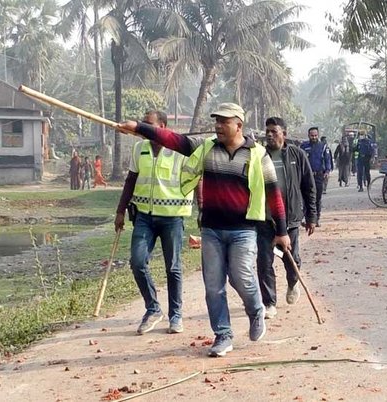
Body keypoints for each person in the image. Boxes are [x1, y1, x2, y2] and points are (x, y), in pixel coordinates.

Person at [118, 103, 290, 357]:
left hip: (243, 230)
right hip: (212, 229)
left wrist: (282, 230)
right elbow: (173, 140)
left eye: (224, 122)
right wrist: (140, 128)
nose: (218, 126)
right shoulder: (206, 148)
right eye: (216, 121)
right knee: (213, 286)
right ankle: (223, 335)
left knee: (240, 276)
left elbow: (273, 194)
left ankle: (255, 310)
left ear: (238, 125)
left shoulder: (257, 154)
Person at [115, 110, 193, 335]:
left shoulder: (178, 149)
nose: (144, 129)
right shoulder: (139, 148)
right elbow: (131, 180)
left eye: (148, 125)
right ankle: (153, 309)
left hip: (172, 216)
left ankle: (176, 315)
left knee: (173, 267)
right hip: (144, 217)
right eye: (142, 124)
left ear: (163, 126)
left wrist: (201, 206)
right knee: (137, 261)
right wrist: (120, 211)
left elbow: (195, 179)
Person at [257, 117, 317, 319]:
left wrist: (312, 216)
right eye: (268, 131)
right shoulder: (259, 155)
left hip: (290, 219)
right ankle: (269, 303)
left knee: (291, 260)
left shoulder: (297, 155)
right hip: (265, 220)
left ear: (284, 133)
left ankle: (292, 283)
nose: (270, 134)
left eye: (274, 131)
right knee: (264, 262)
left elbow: (308, 186)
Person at [300, 127, 332, 225]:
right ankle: (307, 219)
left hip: (319, 175)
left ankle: (316, 219)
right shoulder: (303, 146)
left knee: (317, 198)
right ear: (308, 135)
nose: (314, 137)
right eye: (312, 135)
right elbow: (299, 160)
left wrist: (327, 171)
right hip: (306, 176)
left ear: (318, 135)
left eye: (315, 135)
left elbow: (327, 160)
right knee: (306, 197)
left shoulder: (323, 146)